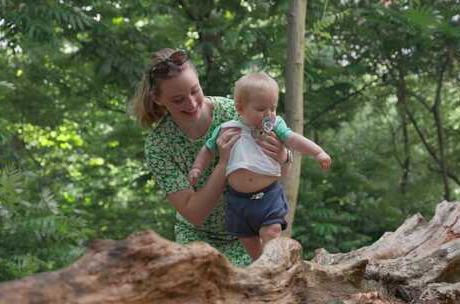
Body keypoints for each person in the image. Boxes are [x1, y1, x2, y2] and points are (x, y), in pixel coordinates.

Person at [130, 48, 291, 267]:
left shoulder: (235, 112)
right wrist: (223, 164)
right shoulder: (159, 145)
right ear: (158, 99)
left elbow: (280, 173)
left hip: (251, 234)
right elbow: (195, 213)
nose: (191, 103)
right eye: (178, 100)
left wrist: (283, 156)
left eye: (195, 91)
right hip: (198, 240)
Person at [188, 72, 331, 260]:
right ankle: (260, 266)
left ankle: (273, 262)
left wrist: (317, 152)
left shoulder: (275, 127)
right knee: (247, 239)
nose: (269, 114)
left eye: (273, 108)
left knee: (271, 232)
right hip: (238, 200)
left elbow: (294, 139)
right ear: (240, 107)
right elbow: (208, 149)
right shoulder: (227, 128)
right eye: (261, 108)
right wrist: (197, 168)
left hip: (268, 195)